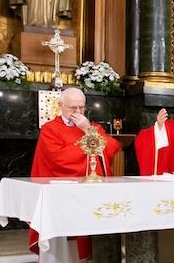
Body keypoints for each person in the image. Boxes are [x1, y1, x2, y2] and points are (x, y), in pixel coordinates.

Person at [29, 87, 121, 261]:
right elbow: (58, 159)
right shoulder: (50, 129)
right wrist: (87, 148)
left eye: (81, 107)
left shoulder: (92, 127)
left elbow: (113, 146)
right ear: (60, 105)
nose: (78, 112)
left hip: (91, 194)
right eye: (73, 108)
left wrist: (88, 130)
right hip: (62, 194)